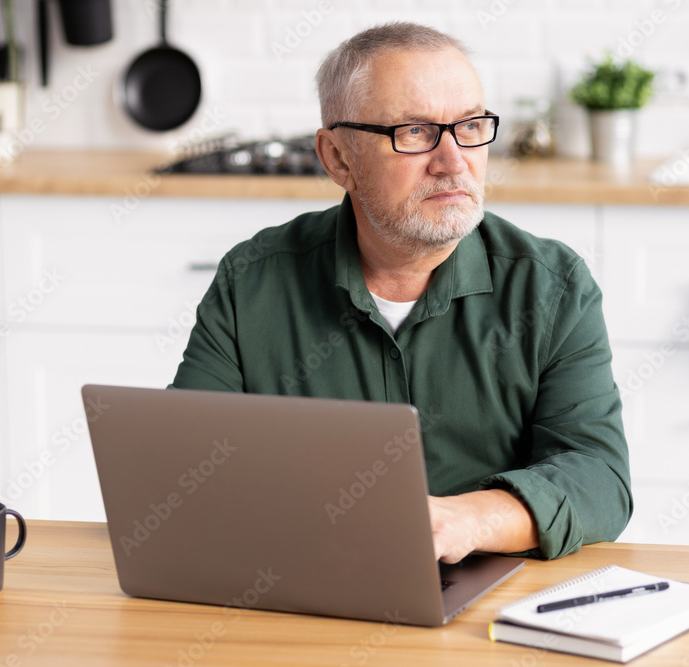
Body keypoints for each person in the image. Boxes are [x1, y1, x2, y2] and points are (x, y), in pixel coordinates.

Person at [170, 22, 631, 562]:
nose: (454, 161)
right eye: (414, 132)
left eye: (470, 126)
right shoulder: (252, 279)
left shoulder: (553, 287)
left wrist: (472, 519)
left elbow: (598, 476)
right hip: (300, 588)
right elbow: (186, 471)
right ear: (338, 158)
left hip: (488, 608)